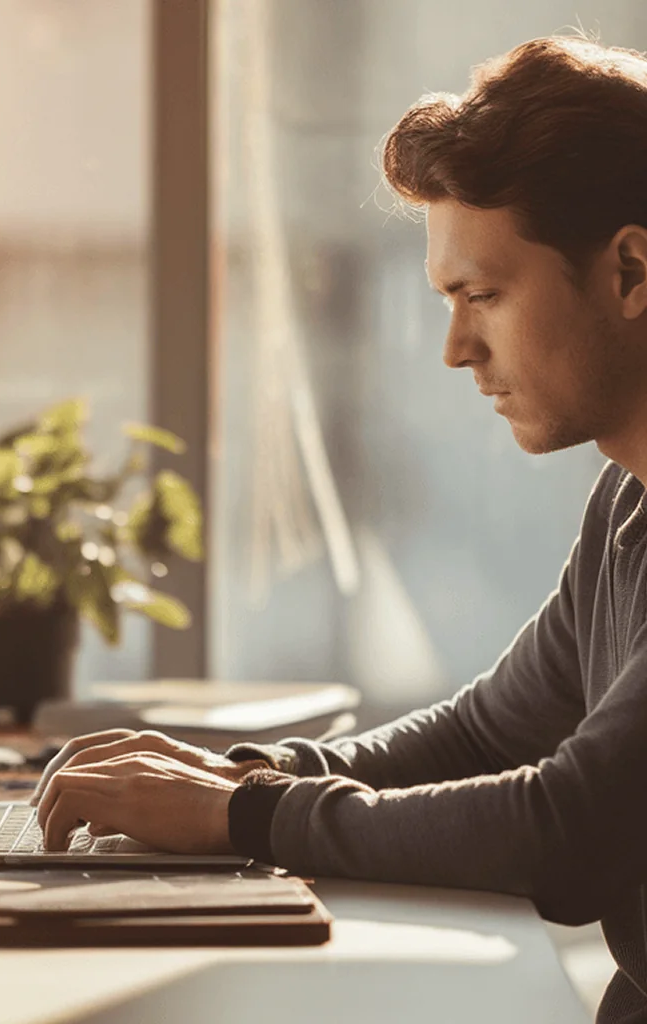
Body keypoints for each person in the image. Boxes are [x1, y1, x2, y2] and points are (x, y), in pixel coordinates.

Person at [34, 33, 647, 1023]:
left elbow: (567, 833)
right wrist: (258, 774)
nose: (455, 349)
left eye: (481, 295)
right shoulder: (626, 500)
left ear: (627, 271)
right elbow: (486, 733)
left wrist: (242, 815)